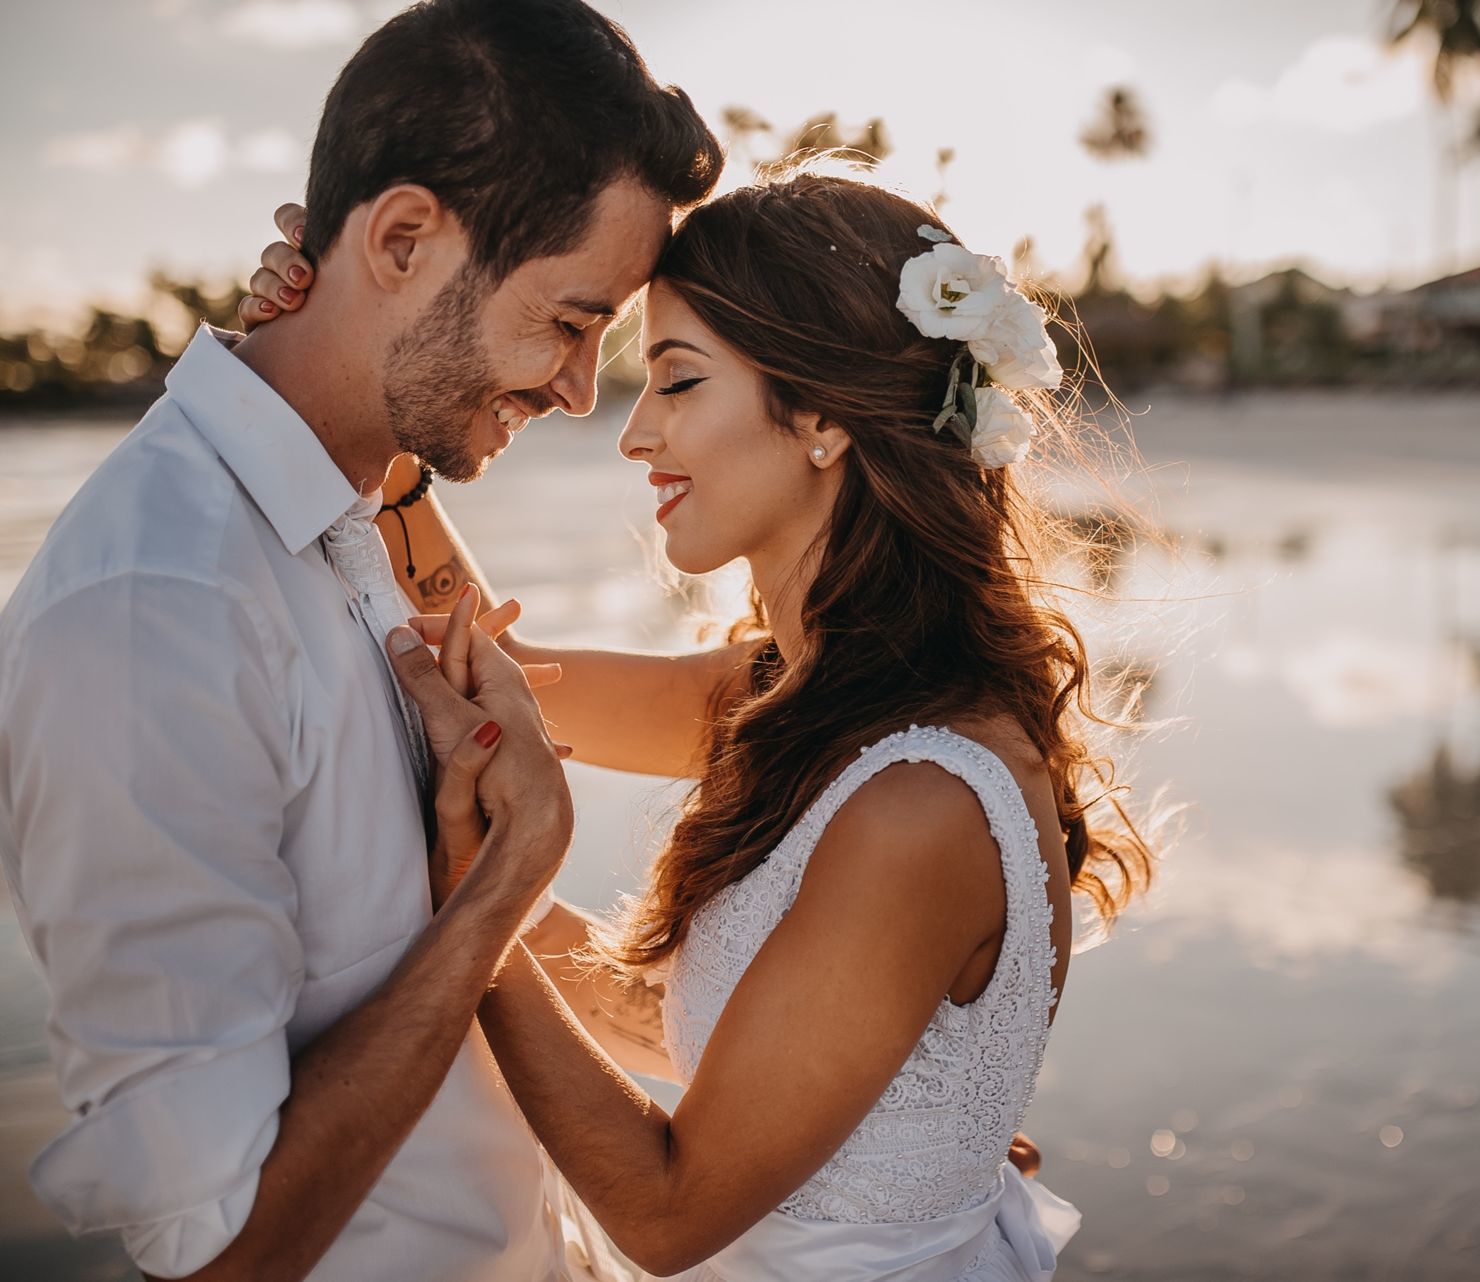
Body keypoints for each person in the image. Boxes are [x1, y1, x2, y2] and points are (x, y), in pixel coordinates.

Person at [243, 170, 1162, 1280]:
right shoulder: (803, 695)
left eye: (678, 381)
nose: (635, 434)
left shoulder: (919, 804)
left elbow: (668, 1213)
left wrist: (475, 901)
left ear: (823, 416)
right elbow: (476, 674)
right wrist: (358, 361)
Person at [0, 1, 722, 1278]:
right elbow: (219, 1253)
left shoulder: (346, 518)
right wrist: (502, 887)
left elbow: (408, 935)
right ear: (401, 239)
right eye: (570, 322)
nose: (579, 392)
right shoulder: (154, 613)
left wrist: (843, 1101)